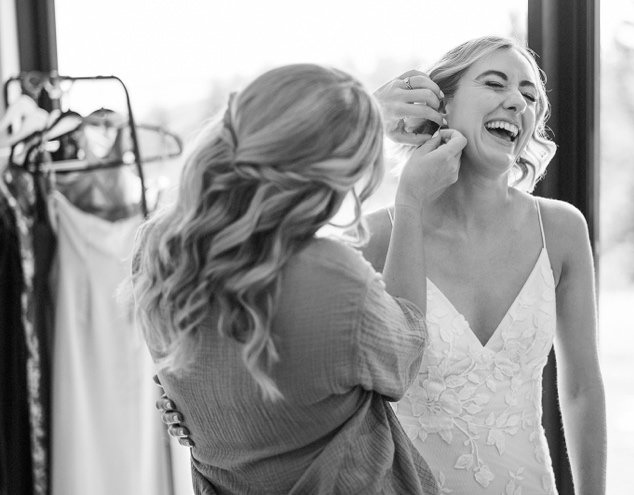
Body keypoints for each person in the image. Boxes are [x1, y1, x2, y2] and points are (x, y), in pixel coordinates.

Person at [127, 63, 455, 494]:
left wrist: (357, 114)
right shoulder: (333, 279)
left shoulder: (157, 249)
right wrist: (410, 204)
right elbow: (404, 355)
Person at [364, 36, 606, 494]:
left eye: (530, 95)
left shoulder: (560, 229)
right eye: (495, 84)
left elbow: (581, 390)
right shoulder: (377, 237)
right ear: (443, 108)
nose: (517, 102)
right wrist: (366, 117)